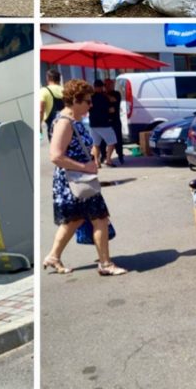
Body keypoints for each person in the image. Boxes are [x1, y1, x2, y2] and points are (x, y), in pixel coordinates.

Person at [43, 79, 128, 277]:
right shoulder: (64, 122)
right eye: (87, 101)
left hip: (78, 178)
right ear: (75, 100)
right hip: (75, 180)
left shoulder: (73, 120)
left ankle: (54, 256)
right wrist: (85, 166)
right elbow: (55, 156)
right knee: (99, 218)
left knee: (75, 220)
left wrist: (92, 155)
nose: (91, 105)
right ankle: (105, 264)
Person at [89, 79, 120, 168]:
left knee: (96, 144)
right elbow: (111, 108)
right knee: (112, 142)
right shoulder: (103, 97)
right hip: (104, 124)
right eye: (102, 87)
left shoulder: (90, 97)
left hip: (93, 124)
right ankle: (108, 159)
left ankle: (96, 162)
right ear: (101, 87)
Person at [104, 78, 125, 166]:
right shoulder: (102, 95)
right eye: (106, 85)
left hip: (115, 120)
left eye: (110, 85)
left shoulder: (116, 93)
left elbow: (114, 101)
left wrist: (106, 95)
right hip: (105, 120)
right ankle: (104, 157)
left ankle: (120, 155)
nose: (108, 86)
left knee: (118, 139)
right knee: (104, 141)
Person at [40, 69, 65, 139]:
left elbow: (40, 110)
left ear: (48, 78)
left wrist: (39, 126)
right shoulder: (65, 90)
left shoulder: (44, 91)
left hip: (53, 127)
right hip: (67, 125)